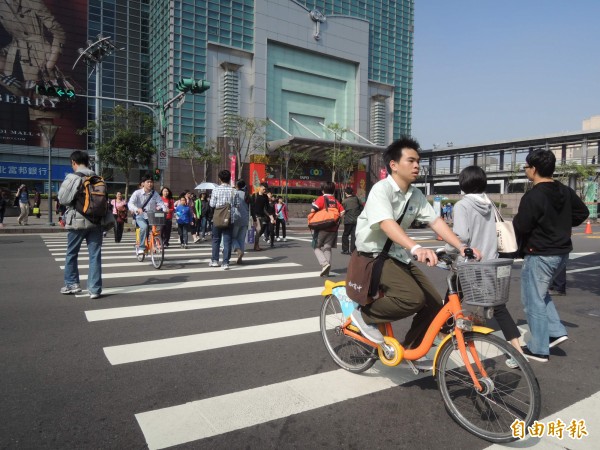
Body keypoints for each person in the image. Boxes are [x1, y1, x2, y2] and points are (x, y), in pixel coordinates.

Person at [350, 136, 478, 353]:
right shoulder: (381, 190)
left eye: (418, 161)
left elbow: (435, 221)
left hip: (397, 255)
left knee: (435, 305)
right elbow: (386, 223)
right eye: (411, 160)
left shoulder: (415, 194)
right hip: (373, 255)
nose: (417, 165)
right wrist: (416, 247)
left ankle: (411, 349)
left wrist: (461, 246)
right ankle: (363, 316)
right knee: (412, 299)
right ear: (394, 165)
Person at [513, 148, 588, 362]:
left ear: (534, 169)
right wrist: (562, 223)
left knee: (532, 300)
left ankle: (538, 348)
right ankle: (555, 330)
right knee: (541, 293)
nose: (526, 170)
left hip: (540, 254)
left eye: (526, 166)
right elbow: (582, 212)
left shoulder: (533, 196)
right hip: (562, 252)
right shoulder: (564, 190)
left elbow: (522, 225)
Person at [447, 166, 524, 368]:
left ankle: (438, 343)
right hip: (490, 262)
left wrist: (447, 248)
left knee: (449, 302)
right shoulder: (489, 203)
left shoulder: (463, 205)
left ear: (462, 183)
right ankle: (517, 351)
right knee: (498, 308)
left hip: (469, 265)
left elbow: (461, 237)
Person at [57, 151, 104, 299]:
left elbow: (63, 199)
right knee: (95, 255)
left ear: (73, 162)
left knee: (72, 253)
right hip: (96, 221)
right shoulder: (98, 178)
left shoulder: (72, 177)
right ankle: (95, 289)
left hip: (77, 222)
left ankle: (72, 284)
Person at [310, 181, 345, 277]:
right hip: (333, 228)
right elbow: (342, 212)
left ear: (322, 190)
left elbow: (313, 209)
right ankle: (327, 270)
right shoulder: (335, 200)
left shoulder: (321, 199)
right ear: (333, 190)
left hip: (322, 227)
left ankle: (324, 264)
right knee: (327, 248)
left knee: (316, 246)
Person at [128, 174, 167, 256]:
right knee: (144, 227)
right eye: (148, 182)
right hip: (140, 216)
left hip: (152, 217)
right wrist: (136, 209)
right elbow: (130, 203)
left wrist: (164, 208)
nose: (150, 184)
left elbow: (160, 202)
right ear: (143, 183)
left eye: (151, 182)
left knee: (156, 230)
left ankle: (155, 243)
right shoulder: (137, 193)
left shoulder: (155, 193)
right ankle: (141, 248)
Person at [209, 170, 235, 269]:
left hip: (217, 218)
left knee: (216, 239)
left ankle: (215, 260)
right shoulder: (233, 190)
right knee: (227, 241)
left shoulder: (215, 190)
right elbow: (236, 204)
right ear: (229, 179)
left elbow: (212, 204)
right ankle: (225, 263)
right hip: (229, 218)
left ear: (220, 179)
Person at [232, 179, 251, 264]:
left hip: (236, 218)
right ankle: (241, 256)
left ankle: (238, 249)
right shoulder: (247, 195)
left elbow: (232, 205)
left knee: (232, 237)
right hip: (245, 219)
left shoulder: (235, 194)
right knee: (241, 239)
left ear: (237, 186)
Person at [251, 182, 272, 251]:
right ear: (260, 187)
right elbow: (252, 207)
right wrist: (253, 217)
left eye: (265, 189)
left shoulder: (265, 197)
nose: (265, 190)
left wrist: (270, 216)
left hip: (262, 215)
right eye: (264, 189)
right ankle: (256, 245)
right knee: (259, 229)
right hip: (255, 215)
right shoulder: (254, 195)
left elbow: (267, 207)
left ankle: (255, 244)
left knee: (261, 230)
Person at [341, 187, 362, 254]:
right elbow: (361, 207)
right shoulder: (357, 199)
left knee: (345, 235)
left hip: (348, 220)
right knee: (354, 235)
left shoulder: (345, 201)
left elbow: (342, 210)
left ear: (346, 193)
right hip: (356, 220)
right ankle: (353, 250)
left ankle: (345, 250)